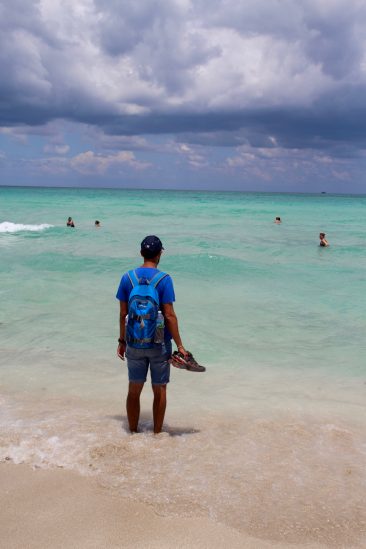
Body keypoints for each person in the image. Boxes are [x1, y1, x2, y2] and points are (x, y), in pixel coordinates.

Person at [116, 235, 189, 434]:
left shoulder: (127, 278)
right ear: (160, 254)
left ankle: (132, 432)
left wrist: (122, 341)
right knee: (160, 389)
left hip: (134, 342)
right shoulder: (164, 280)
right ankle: (157, 435)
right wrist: (180, 346)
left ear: (141, 253)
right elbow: (169, 315)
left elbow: (123, 314)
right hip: (159, 344)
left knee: (134, 389)